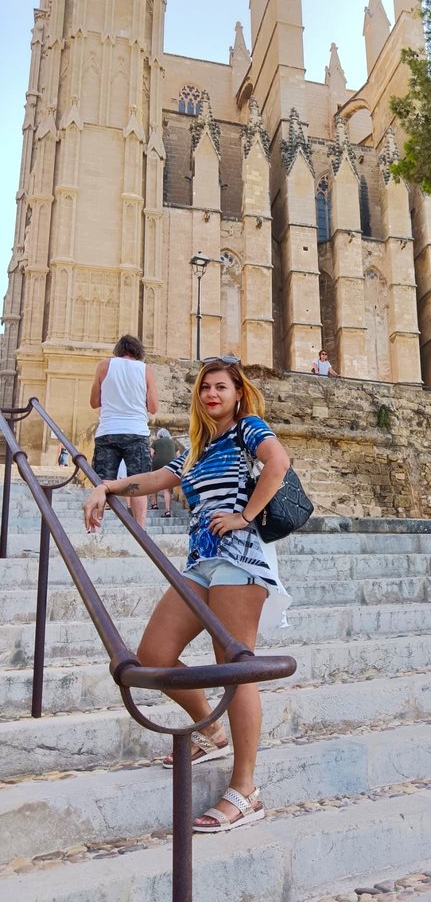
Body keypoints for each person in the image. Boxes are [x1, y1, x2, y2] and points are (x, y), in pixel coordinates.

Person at [83, 357, 293, 833]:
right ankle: (210, 729)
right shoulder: (199, 447)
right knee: (153, 654)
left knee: (235, 667)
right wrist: (106, 486)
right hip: (200, 564)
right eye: (205, 388)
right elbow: (158, 478)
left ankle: (245, 791)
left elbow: (278, 463)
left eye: (220, 387)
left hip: (240, 560)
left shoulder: (247, 429)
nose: (211, 394)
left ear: (237, 394)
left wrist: (244, 516)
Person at [90, 334, 158, 529]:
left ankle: (94, 530)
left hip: (108, 431)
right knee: (139, 484)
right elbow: (153, 407)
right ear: (138, 352)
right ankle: (140, 531)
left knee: (103, 482)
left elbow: (94, 402)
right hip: (136, 432)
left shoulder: (104, 365)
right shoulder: (145, 369)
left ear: (118, 350)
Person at [148, 428, 182, 516]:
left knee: (153, 485)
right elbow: (179, 456)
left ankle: (154, 504)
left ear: (159, 435)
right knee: (166, 489)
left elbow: (150, 455)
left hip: (157, 464)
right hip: (170, 466)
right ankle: (167, 511)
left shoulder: (155, 442)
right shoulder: (173, 443)